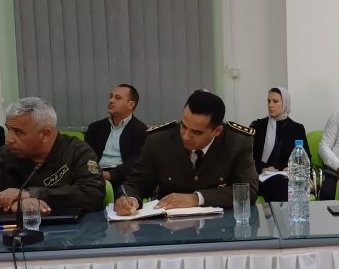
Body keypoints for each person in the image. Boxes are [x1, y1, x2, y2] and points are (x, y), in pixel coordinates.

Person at [114, 90, 258, 215]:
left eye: (196, 132)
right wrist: (129, 198)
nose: (186, 136)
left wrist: (197, 198)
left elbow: (248, 191)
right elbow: (135, 183)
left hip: (221, 227)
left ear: (217, 131)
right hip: (169, 228)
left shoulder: (237, 142)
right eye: (183, 126)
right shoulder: (159, 140)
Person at [0, 97, 105, 214]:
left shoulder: (77, 151)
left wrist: (31, 194)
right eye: (9, 129)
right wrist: (16, 204)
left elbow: (93, 194)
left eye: (18, 132)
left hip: (69, 232)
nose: (8, 139)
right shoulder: (4, 154)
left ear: (45, 134)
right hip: (15, 233)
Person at [250, 87, 309, 202]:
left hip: (287, 177)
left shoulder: (297, 129)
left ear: (285, 103)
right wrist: (263, 168)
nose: (270, 105)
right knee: (278, 184)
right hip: (261, 176)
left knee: (284, 183)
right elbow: (247, 157)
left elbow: (306, 158)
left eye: (275, 101)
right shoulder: (258, 126)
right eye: (268, 101)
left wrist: (292, 168)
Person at [84, 84, 148, 187]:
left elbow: (137, 160)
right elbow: (85, 155)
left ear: (131, 104)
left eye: (117, 98)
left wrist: (110, 175)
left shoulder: (141, 130)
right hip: (95, 176)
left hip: (123, 178)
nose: (111, 101)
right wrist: (94, 173)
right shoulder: (95, 128)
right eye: (111, 97)